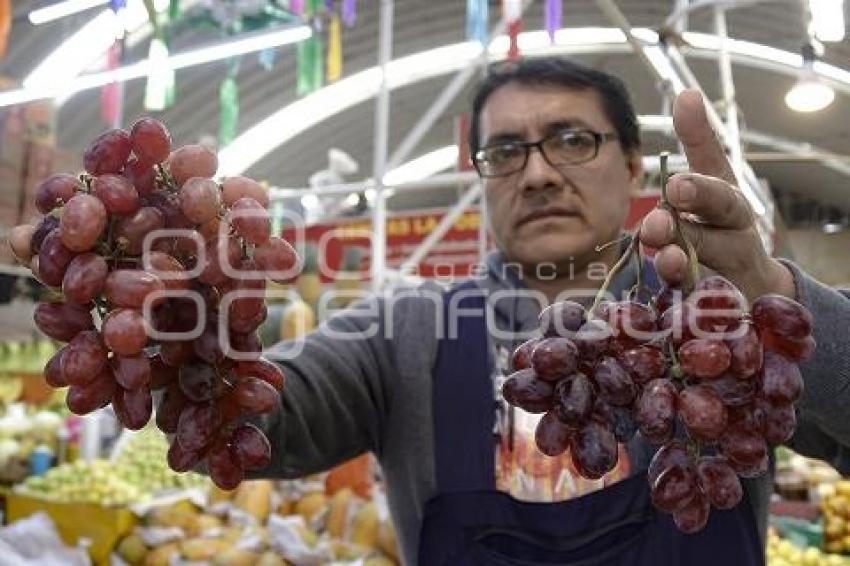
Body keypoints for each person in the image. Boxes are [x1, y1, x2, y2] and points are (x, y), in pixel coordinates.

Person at [257, 57, 850, 565]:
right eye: (506, 151)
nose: (537, 174)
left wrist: (778, 297)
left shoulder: (712, 326)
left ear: (633, 163)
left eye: (572, 140)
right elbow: (257, 417)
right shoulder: (404, 330)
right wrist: (187, 333)